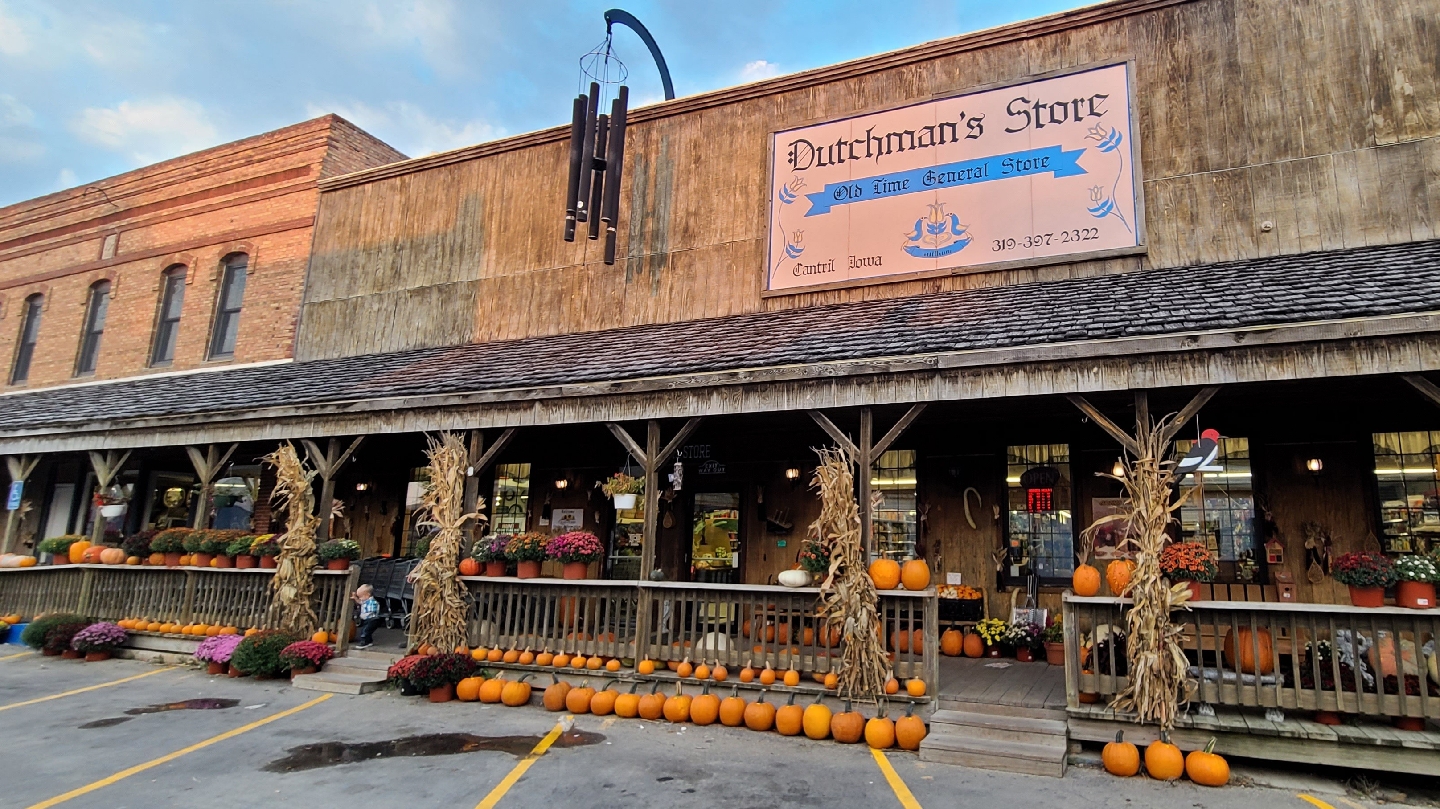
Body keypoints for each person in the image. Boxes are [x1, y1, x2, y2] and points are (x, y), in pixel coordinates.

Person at [352, 584, 381, 649]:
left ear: (367, 595)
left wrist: (365, 614)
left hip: (372, 619)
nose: (360, 599)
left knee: (365, 631)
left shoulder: (372, 602)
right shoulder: (365, 601)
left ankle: (364, 642)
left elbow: (373, 610)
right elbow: (360, 602)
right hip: (367, 619)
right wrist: (355, 598)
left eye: (361, 597)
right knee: (367, 630)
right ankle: (369, 641)